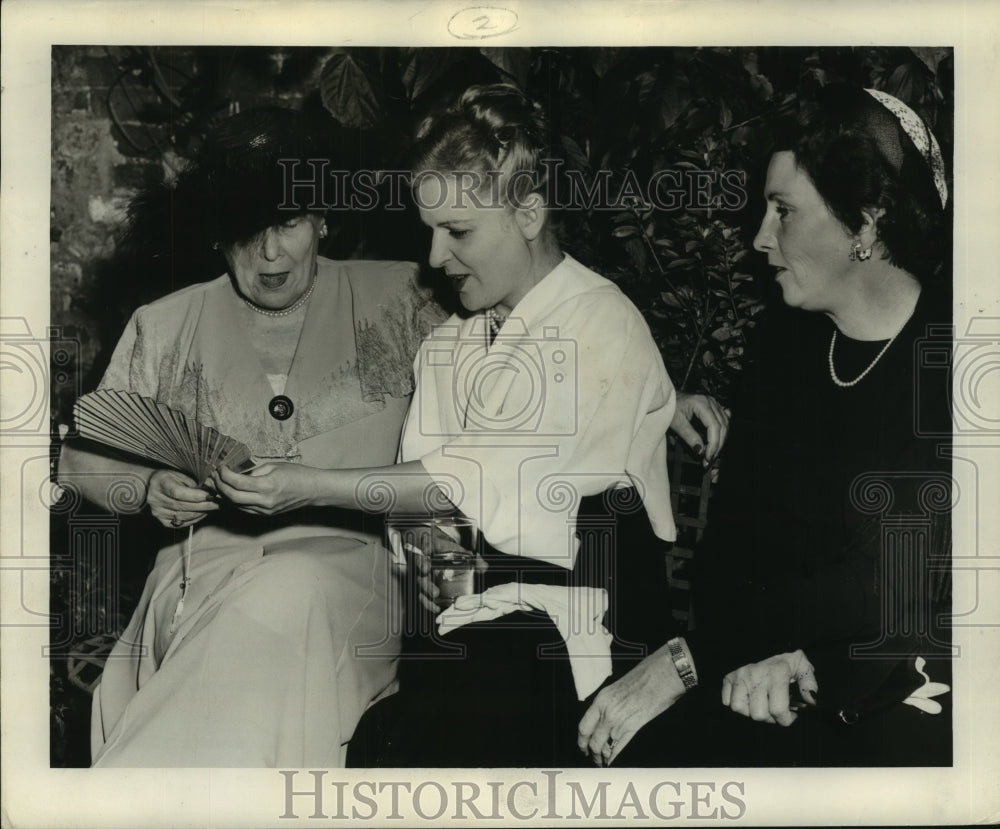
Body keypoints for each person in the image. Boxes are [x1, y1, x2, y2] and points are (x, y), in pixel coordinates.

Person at [215, 83, 729, 767]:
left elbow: (468, 480)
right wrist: (431, 552)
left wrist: (305, 483)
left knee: (456, 721)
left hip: (593, 635)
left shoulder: (598, 320)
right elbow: (427, 504)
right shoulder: (450, 347)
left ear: (528, 213)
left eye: (457, 231)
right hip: (484, 632)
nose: (434, 256)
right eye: (430, 230)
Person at [576, 84, 953, 768]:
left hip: (911, 676)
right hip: (759, 672)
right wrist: (722, 658)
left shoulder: (955, 357)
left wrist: (722, 662)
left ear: (865, 224)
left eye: (783, 212)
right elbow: (730, 564)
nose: (759, 238)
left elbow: (896, 583)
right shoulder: (784, 352)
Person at [57, 107, 444, 767]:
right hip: (193, 586)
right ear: (215, 232)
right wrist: (149, 487)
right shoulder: (165, 325)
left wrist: (659, 402)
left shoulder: (404, 297)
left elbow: (523, 363)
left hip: (346, 590)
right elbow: (76, 459)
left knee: (287, 593)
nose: (269, 252)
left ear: (323, 218)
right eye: (247, 227)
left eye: (289, 222)